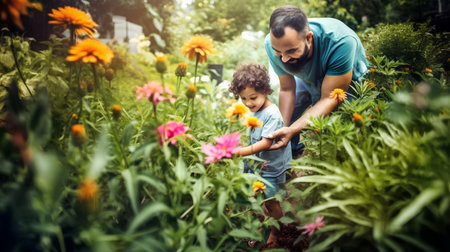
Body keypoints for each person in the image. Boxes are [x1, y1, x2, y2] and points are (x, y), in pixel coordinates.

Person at [264, 5, 368, 153]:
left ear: (309, 38)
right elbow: (287, 90)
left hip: (345, 81)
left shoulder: (341, 41)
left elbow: (329, 98)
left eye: (291, 51)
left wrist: (293, 129)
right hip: (307, 75)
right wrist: (281, 130)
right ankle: (289, 152)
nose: (284, 59)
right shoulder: (272, 44)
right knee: (287, 117)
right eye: (278, 53)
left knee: (342, 125)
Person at [229, 63, 292, 245]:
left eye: (253, 98)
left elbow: (265, 142)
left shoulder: (271, 113)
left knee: (272, 202)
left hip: (271, 168)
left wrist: (241, 152)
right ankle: (260, 223)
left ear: (265, 90)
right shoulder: (255, 109)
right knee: (254, 197)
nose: (248, 103)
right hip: (257, 164)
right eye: (243, 99)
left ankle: (276, 231)